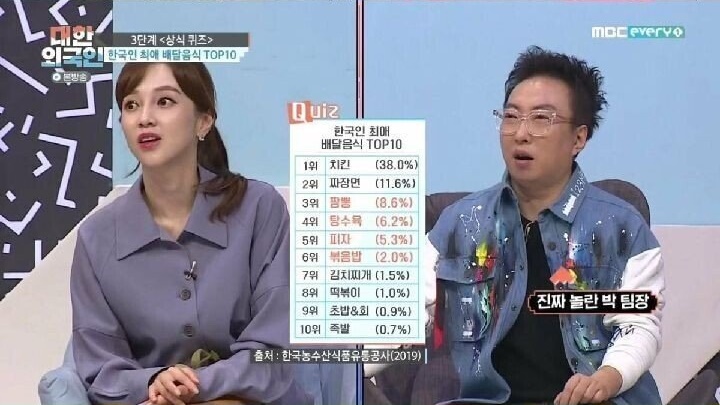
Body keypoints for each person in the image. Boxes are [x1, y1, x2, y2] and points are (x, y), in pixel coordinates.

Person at [425, 46, 666, 405]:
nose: (521, 133)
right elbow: (402, 316)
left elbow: (638, 326)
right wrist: (348, 360)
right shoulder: (459, 224)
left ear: (578, 138)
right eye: (511, 117)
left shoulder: (622, 227)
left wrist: (606, 379)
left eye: (541, 119)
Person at [70, 62, 312, 405]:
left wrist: (191, 386)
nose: (144, 118)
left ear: (204, 121)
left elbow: (272, 353)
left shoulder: (259, 208)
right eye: (131, 105)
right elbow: (99, 369)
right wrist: (153, 382)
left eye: (164, 101)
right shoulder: (96, 238)